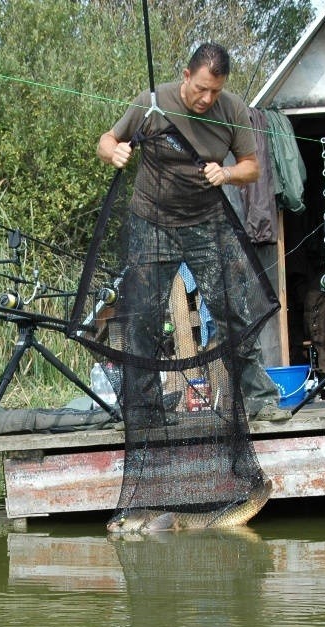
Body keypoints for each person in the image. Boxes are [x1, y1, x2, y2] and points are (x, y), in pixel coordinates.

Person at [96, 42, 289, 426]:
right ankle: (144, 407)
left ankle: (260, 398)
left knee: (235, 309)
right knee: (143, 316)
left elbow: (251, 167)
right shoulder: (152, 102)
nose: (207, 97)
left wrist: (227, 173)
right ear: (186, 76)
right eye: (201, 88)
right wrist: (113, 152)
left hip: (207, 221)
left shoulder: (232, 109)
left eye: (215, 90)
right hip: (152, 222)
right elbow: (107, 140)